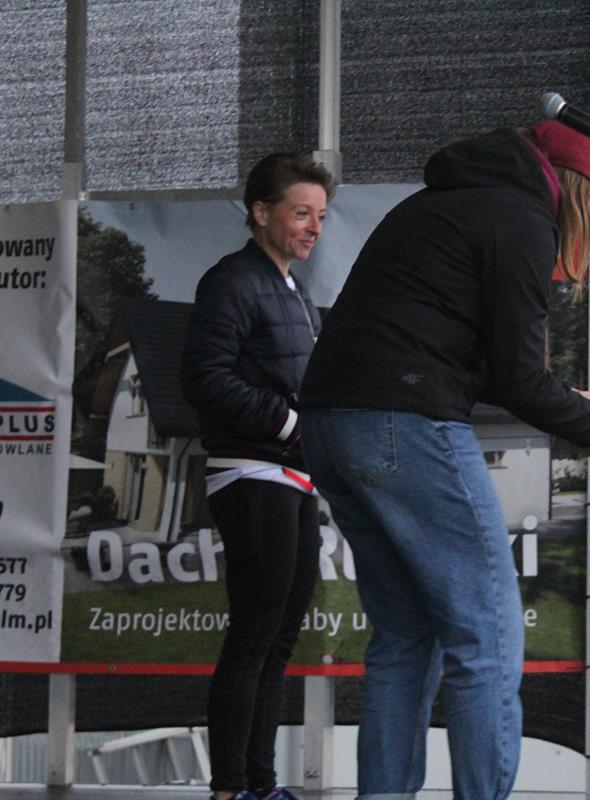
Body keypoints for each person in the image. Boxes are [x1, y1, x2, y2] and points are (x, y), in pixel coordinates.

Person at [298, 120, 590, 799]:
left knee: (405, 635)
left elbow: (465, 361)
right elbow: (518, 378)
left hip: (332, 425)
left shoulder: (441, 204)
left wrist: (583, 402)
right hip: (404, 424)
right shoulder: (522, 220)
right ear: (579, 194)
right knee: (486, 638)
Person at [181, 152, 334, 800]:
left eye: (321, 216)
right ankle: (230, 788)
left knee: (277, 641)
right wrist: (290, 424)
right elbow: (205, 378)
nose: (314, 227)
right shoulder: (233, 280)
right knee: (254, 636)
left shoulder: (294, 291)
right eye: (301, 213)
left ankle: (261, 785)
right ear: (261, 212)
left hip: (293, 479)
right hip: (250, 474)